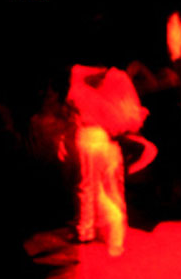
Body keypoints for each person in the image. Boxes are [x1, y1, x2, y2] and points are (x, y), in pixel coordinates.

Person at [65, 64, 156, 256]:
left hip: (91, 135)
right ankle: (113, 230)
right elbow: (129, 114)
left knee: (90, 186)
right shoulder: (116, 77)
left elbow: (73, 102)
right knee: (111, 185)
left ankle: (89, 230)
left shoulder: (80, 75)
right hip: (109, 138)